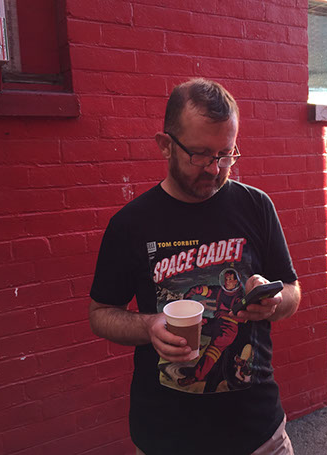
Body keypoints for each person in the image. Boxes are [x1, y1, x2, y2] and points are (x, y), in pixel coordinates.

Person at [89, 78, 301, 455]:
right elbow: (101, 314)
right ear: (165, 145)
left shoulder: (257, 206)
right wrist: (149, 325)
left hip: (260, 434)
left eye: (226, 153)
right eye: (201, 154)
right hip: (167, 437)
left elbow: (292, 291)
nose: (215, 169)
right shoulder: (131, 224)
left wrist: (274, 300)